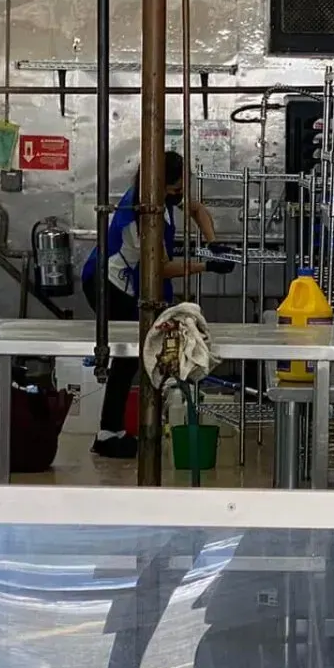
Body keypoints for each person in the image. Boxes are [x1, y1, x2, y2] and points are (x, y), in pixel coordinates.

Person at [80, 151, 229, 460]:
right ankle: (108, 433)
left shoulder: (160, 196)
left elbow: (198, 209)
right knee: (127, 354)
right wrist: (207, 265)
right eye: (177, 189)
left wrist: (212, 241)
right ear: (162, 185)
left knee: (133, 354)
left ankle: (116, 429)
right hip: (107, 284)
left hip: (129, 282)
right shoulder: (143, 213)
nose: (181, 195)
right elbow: (160, 267)